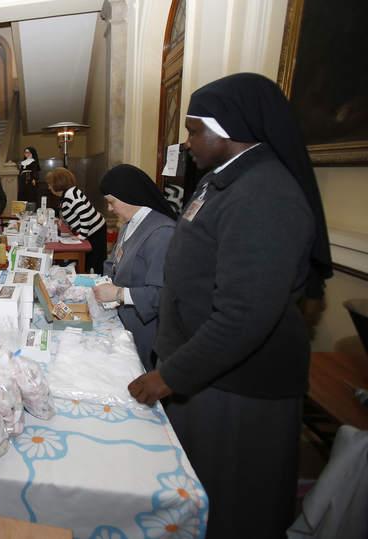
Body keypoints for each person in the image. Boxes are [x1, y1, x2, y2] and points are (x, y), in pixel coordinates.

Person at [127, 73, 332, 539]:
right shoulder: (221, 180)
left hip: (239, 384)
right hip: (208, 373)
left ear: (230, 128)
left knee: (233, 506)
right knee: (198, 493)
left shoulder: (264, 194)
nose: (188, 140)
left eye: (195, 129)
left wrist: (168, 376)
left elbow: (244, 315)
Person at [93, 164, 176, 368]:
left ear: (129, 195)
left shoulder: (162, 232)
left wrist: (119, 294)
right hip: (121, 318)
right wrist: (106, 283)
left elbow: (160, 294)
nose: (110, 208)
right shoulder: (130, 224)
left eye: (112, 202)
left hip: (143, 329)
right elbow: (112, 262)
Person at [46, 167, 107, 274]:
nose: (49, 187)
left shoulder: (70, 195)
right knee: (92, 259)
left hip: (95, 230)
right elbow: (73, 212)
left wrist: (82, 235)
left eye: (50, 184)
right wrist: (62, 220)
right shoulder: (68, 193)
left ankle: (98, 278)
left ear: (58, 184)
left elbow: (84, 213)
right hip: (93, 228)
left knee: (95, 260)